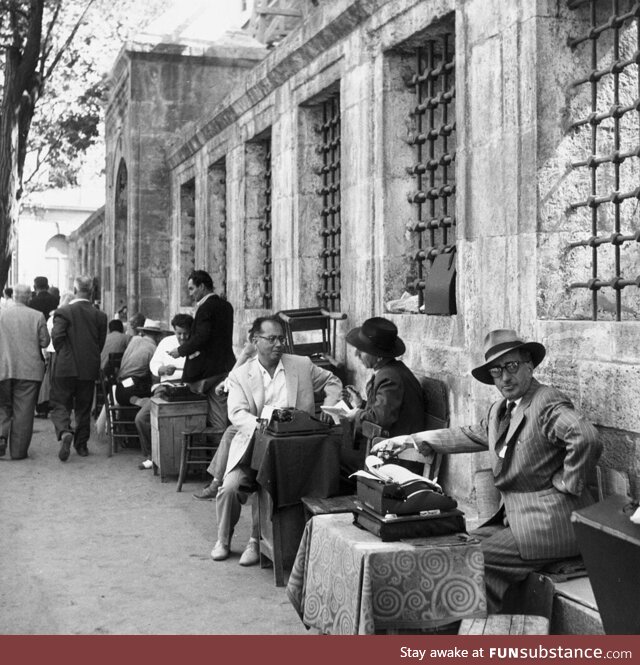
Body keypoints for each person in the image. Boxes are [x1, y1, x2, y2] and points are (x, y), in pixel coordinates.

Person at [372, 329, 601, 613]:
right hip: (514, 521)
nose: (505, 377)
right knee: (452, 549)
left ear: (529, 364)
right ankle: (464, 628)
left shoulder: (546, 401)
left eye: (512, 366)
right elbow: (469, 434)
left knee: (471, 561)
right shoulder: (500, 410)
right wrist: (409, 440)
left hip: (549, 527)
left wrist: (569, 481)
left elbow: (585, 437)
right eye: (496, 371)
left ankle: (478, 635)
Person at [211, 316, 342, 567]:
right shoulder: (240, 375)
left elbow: (332, 381)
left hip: (291, 450)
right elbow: (236, 413)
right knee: (230, 487)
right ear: (255, 341)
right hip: (253, 443)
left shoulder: (301, 365)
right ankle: (223, 538)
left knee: (268, 488)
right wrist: (262, 427)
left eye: (281, 338)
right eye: (271, 339)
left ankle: (254, 540)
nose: (278, 344)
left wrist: (329, 405)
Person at [339, 317, 426, 478]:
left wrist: (356, 414)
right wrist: (361, 404)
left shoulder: (390, 377)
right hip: (391, 447)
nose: (357, 354)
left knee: (336, 460)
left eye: (362, 350)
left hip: (398, 457)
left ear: (379, 356)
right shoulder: (391, 371)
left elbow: (381, 419)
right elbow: (386, 410)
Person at [167, 269, 235, 443]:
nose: (190, 294)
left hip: (207, 371)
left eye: (191, 289)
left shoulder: (205, 308)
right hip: (226, 366)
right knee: (219, 413)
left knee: (188, 405)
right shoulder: (226, 306)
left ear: (202, 287)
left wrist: (180, 351)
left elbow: (202, 337)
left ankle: (205, 453)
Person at [49, 276, 108, 461]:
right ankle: (81, 444)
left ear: (75, 289)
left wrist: (64, 354)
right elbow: (100, 342)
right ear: (91, 291)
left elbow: (56, 336)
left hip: (65, 368)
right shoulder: (100, 315)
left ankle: (65, 431)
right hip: (88, 367)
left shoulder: (63, 311)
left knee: (60, 403)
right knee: (83, 407)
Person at [134, 313, 194, 470]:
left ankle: (180, 459)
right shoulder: (166, 342)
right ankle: (151, 455)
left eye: (185, 333)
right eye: (179, 333)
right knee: (142, 418)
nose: (182, 337)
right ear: (174, 330)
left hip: (188, 389)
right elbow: (154, 365)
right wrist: (163, 369)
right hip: (166, 388)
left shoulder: (195, 343)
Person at [0, 284, 50, 459]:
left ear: (14, 296)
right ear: (29, 297)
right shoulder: (37, 316)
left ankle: (1, 435)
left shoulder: (2, 315)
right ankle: (18, 452)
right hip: (29, 370)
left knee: (3, 406)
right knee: (24, 411)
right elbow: (45, 342)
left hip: (3, 368)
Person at [115, 319, 166, 406]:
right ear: (157, 336)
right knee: (161, 393)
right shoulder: (153, 348)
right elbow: (155, 377)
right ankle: (141, 403)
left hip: (120, 389)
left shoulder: (133, 341)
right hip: (134, 390)